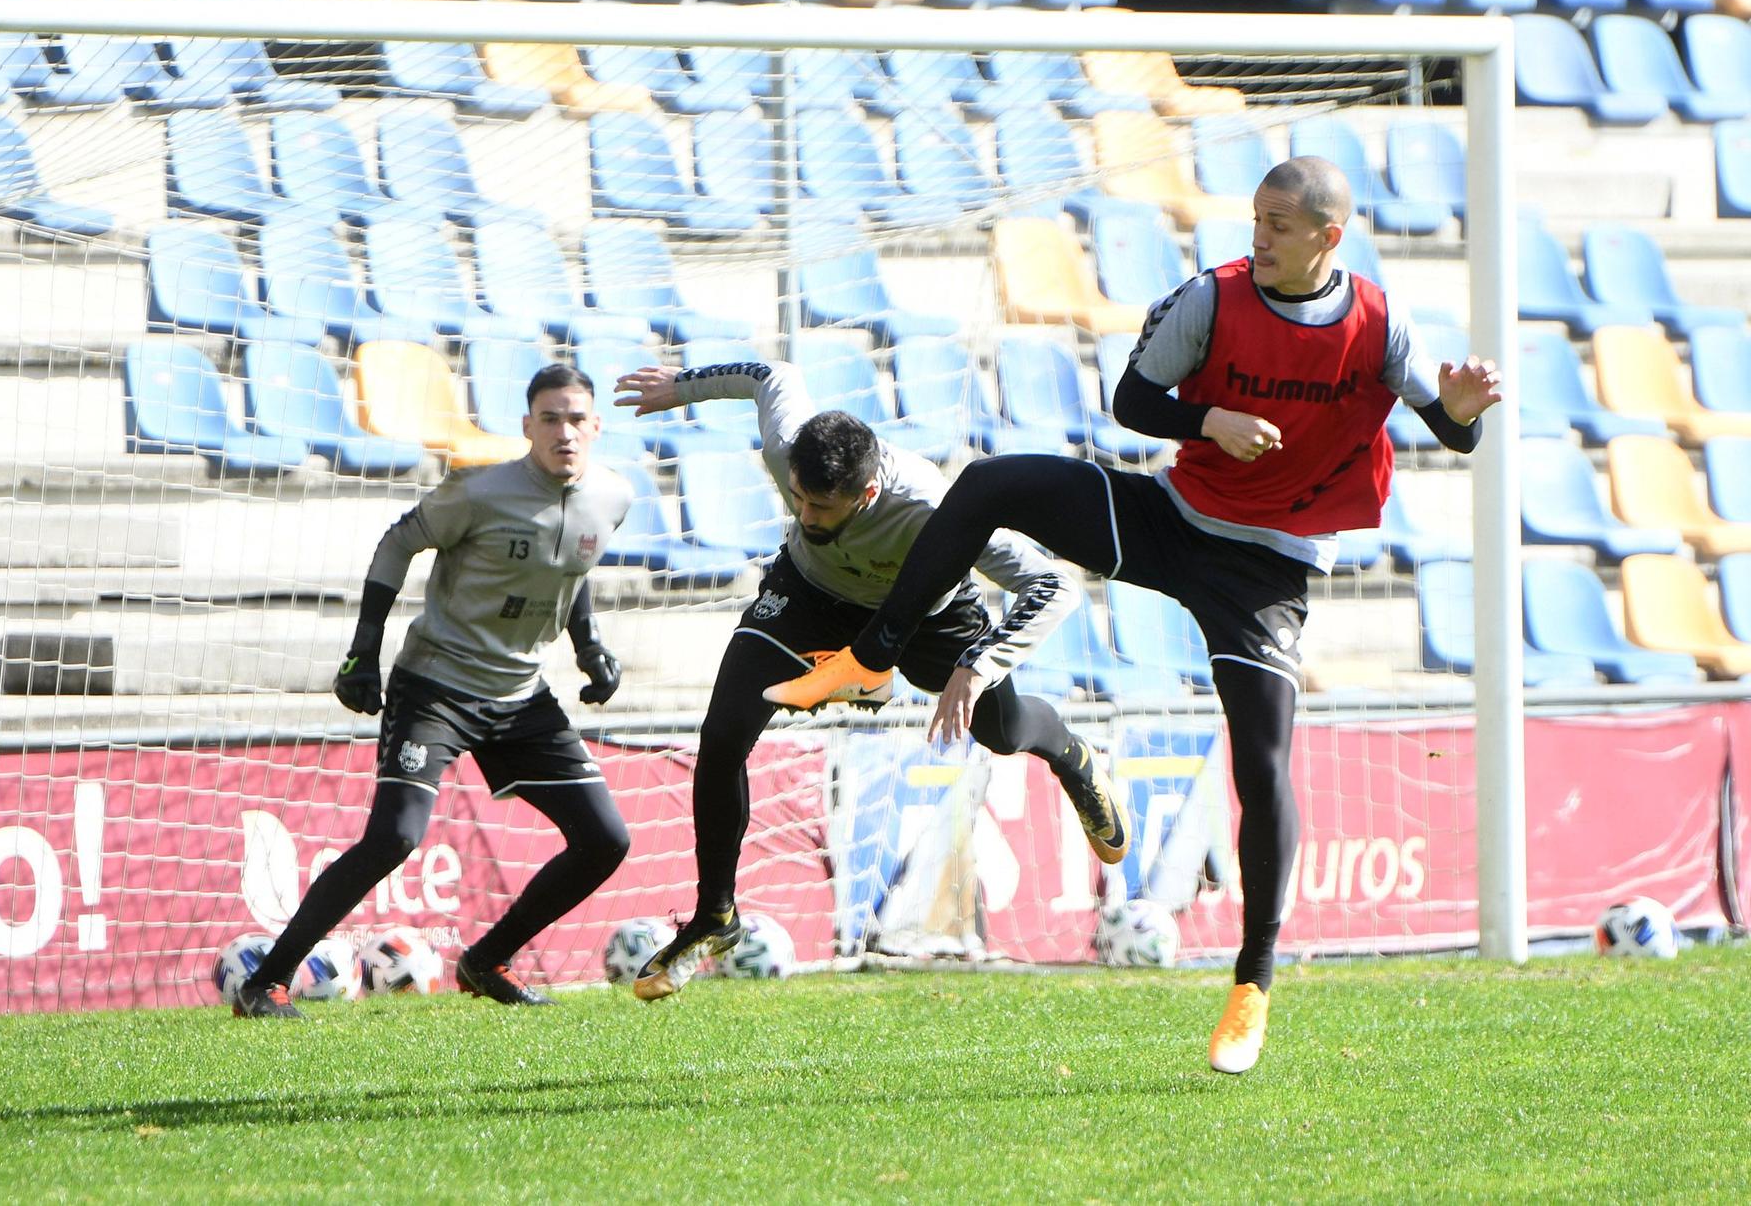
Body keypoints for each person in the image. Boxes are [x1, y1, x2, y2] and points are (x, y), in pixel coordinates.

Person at [766, 157, 1504, 1074]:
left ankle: (1251, 988)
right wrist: (1210, 421)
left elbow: (1455, 427)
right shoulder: (1211, 297)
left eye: (1279, 224)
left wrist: (1464, 414)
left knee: (1265, 759)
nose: (1259, 236)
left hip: (1267, 569)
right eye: (1256, 218)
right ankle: (872, 652)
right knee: (993, 482)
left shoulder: (1381, 321)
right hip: (1171, 520)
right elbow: (1132, 399)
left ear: (1329, 238)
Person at [610, 358, 1131, 1002]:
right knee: (722, 737)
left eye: (821, 506)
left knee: (1005, 731)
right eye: (797, 495)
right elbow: (769, 374)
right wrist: (679, 388)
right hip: (808, 597)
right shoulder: (791, 449)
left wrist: (977, 666)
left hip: (926, 617)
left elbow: (1055, 586)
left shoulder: (932, 508)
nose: (804, 513)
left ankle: (1071, 754)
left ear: (867, 496)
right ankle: (715, 914)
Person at [234, 365, 634, 1017]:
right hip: (436, 685)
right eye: (551, 418)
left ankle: (485, 959)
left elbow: (571, 565)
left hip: (521, 694)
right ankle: (267, 980)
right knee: (395, 836)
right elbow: (398, 544)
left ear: (596, 426)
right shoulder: (479, 491)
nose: (565, 431)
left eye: (577, 418)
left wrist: (588, 647)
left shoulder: (612, 496)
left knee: (605, 840)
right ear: (527, 425)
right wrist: (364, 651)